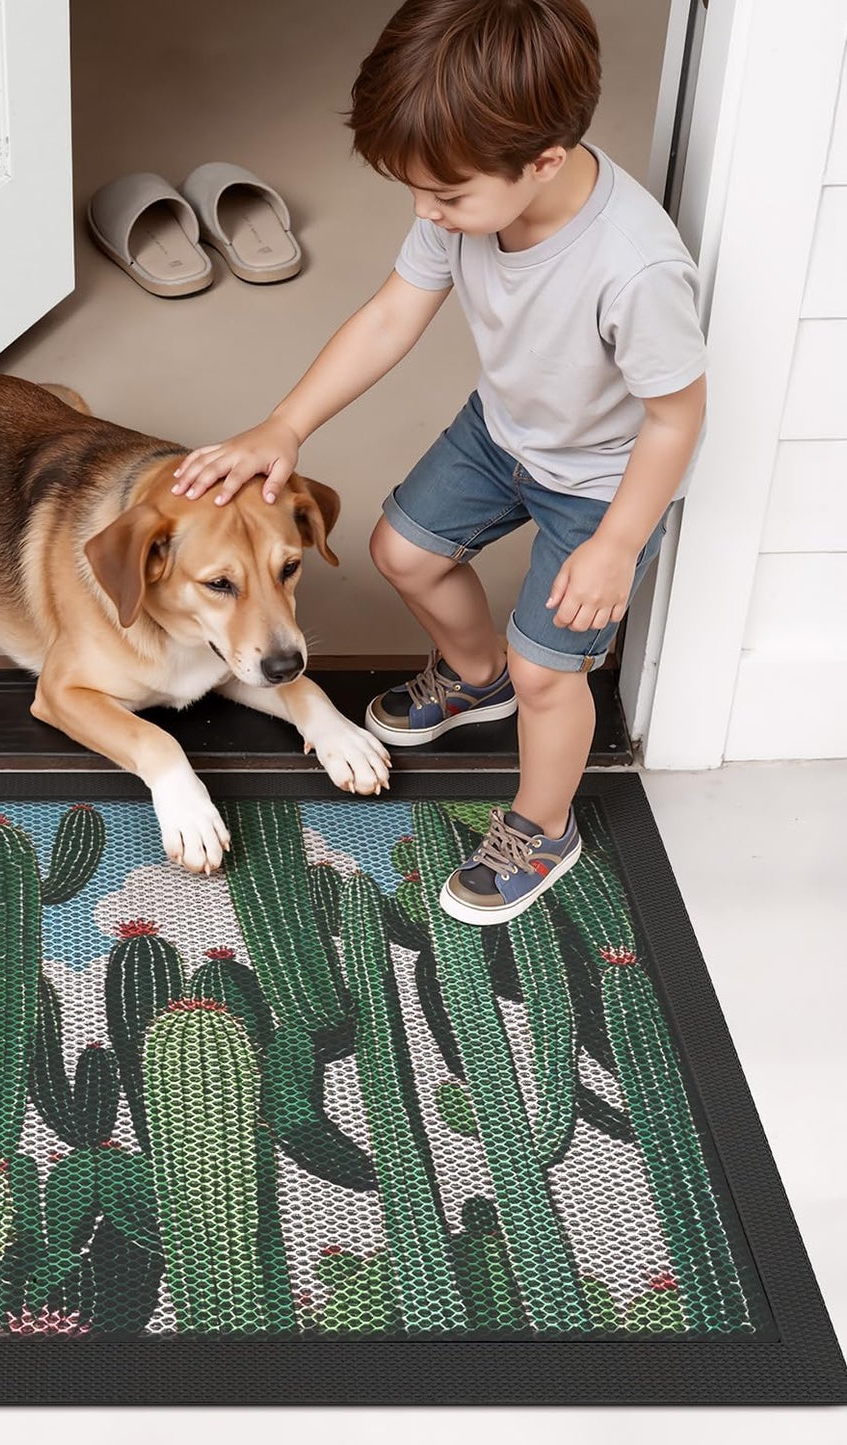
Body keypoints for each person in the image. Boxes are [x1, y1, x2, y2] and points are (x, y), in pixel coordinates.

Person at [170, 0, 706, 925]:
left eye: (445, 196)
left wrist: (617, 543)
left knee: (552, 671)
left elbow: (674, 416)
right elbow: (389, 316)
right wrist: (284, 425)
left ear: (541, 162)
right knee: (401, 550)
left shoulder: (636, 270)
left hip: (605, 479)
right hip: (502, 431)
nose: (426, 213)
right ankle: (472, 674)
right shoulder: (462, 196)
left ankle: (542, 825)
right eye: (415, 191)